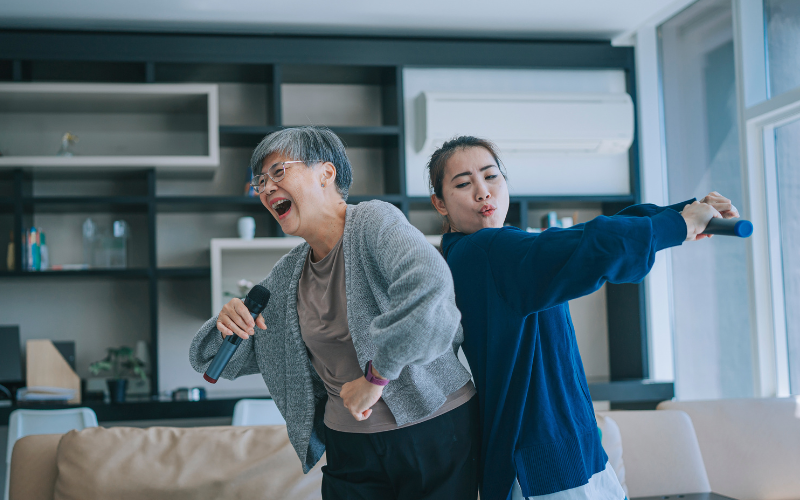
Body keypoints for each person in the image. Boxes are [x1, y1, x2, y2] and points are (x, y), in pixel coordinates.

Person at [426, 136, 739, 500]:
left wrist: (686, 212)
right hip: (546, 470)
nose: (483, 192)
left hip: (566, 456)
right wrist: (679, 225)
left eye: (491, 176)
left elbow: (576, 235)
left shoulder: (492, 252)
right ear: (440, 203)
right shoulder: (485, 252)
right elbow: (589, 245)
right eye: (463, 184)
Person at [190, 126, 479, 500]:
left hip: (433, 428)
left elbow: (431, 292)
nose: (265, 189)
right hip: (350, 448)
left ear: (326, 173)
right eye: (260, 181)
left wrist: (377, 376)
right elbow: (216, 361)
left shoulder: (374, 222)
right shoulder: (286, 274)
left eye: (279, 172)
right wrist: (226, 322)